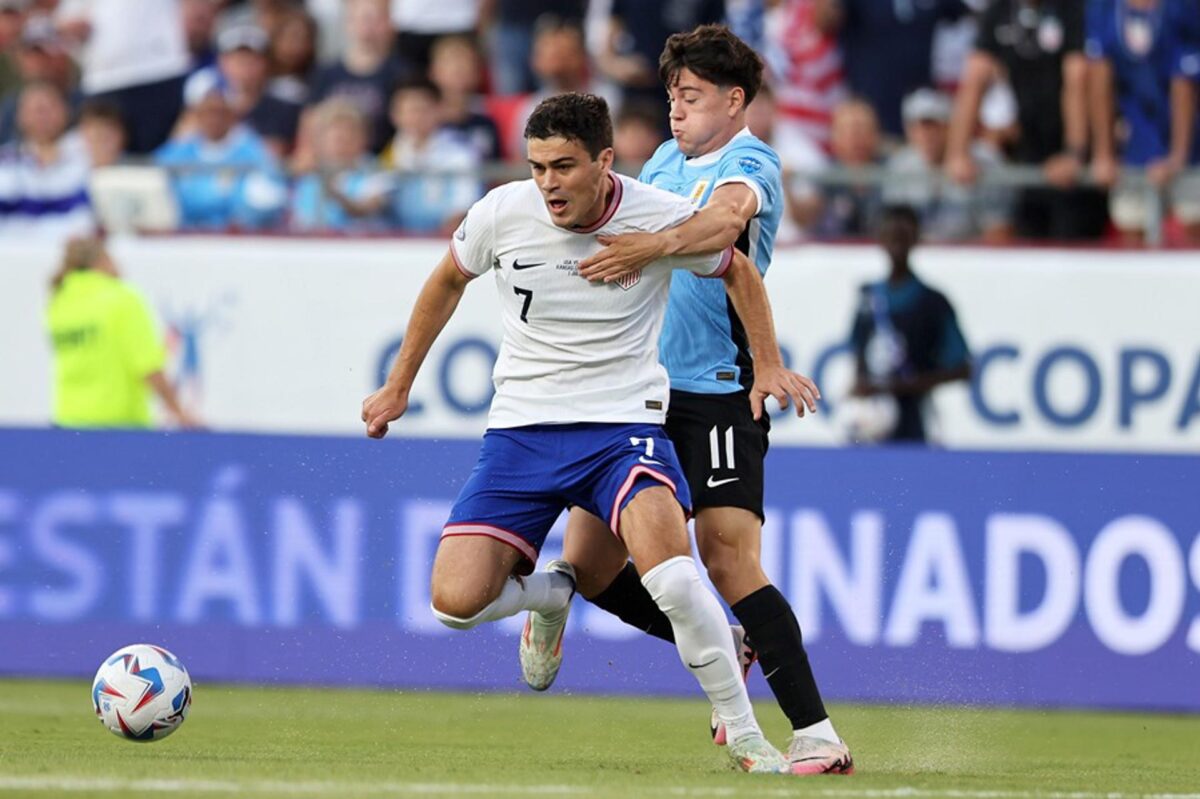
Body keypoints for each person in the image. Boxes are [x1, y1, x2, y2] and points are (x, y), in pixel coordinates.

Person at [361, 91, 816, 775]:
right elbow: (446, 281)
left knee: (674, 576)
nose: (548, 183)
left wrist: (768, 362)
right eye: (538, 165)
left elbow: (738, 270)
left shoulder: (656, 218)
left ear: (605, 160)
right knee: (453, 603)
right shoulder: (501, 212)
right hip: (521, 430)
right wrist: (399, 384)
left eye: (564, 166)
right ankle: (549, 592)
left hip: (622, 428)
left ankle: (747, 734)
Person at [532, 25, 854, 775]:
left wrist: (653, 248)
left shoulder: (752, 164)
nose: (676, 110)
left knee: (729, 560)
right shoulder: (666, 161)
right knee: (590, 567)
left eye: (692, 96)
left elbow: (725, 227)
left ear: (734, 101)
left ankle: (817, 733)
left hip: (714, 393)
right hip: (637, 391)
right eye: (673, 95)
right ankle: (730, 644)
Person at [946, 0, 1106, 240]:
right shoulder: (1000, 12)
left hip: (1074, 159)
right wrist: (958, 153)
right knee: (1029, 243)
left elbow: (1078, 81)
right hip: (1028, 156)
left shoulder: (1072, 9)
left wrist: (1074, 153)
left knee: (1073, 244)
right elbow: (975, 78)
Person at [845, 204, 971, 444]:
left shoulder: (932, 302)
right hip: (872, 419)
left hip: (915, 421)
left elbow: (962, 367)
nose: (897, 245)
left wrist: (908, 385)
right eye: (892, 237)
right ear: (881, 239)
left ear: (915, 240)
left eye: (903, 237)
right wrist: (861, 385)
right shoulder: (868, 296)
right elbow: (858, 351)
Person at [46, 237, 198, 430]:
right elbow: (148, 367)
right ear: (102, 261)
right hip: (116, 425)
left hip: (66, 420)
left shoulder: (59, 301)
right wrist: (179, 412)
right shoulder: (122, 299)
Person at [1086, 0, 1200, 244]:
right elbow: (1100, 82)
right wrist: (1103, 152)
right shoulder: (1104, 9)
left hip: (1191, 146)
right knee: (1131, 228)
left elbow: (1184, 83)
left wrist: (1178, 156)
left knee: (1193, 224)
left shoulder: (1182, 8)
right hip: (1135, 145)